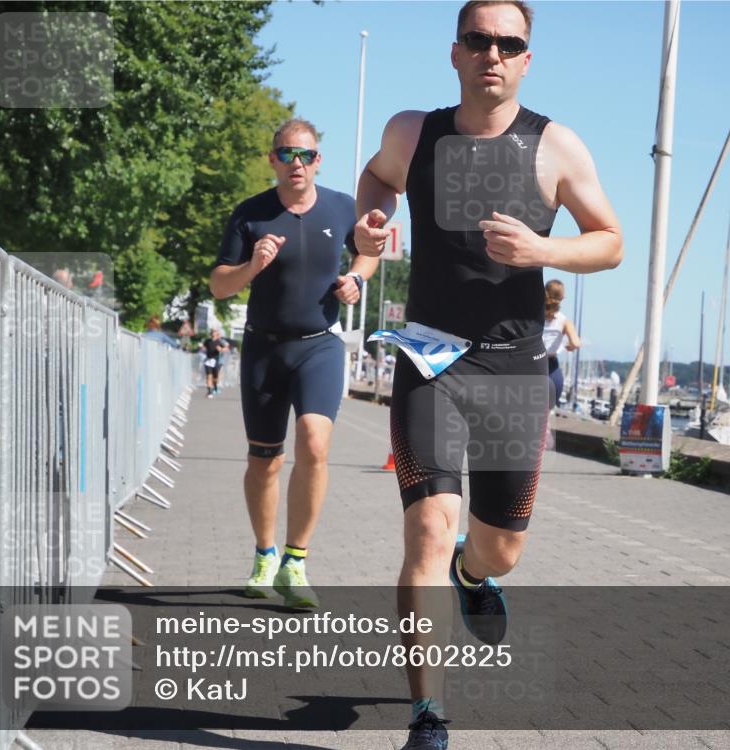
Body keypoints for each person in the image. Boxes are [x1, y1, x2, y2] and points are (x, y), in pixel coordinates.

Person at [354, 3, 622, 746]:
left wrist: (544, 253)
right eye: (479, 40)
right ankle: (427, 717)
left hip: (513, 369)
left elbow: (610, 241)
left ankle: (477, 579)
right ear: (456, 52)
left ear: (527, 59)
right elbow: (375, 182)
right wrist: (369, 226)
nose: (493, 53)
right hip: (428, 356)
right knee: (430, 528)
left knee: (497, 546)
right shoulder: (413, 132)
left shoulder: (555, 146)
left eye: (510, 44)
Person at [210, 117, 378, 608]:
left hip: (319, 344)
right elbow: (219, 285)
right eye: (286, 154)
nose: (296, 164)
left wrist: (358, 279)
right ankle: (264, 554)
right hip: (264, 348)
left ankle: (296, 561)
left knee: (314, 442)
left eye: (305, 155)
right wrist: (251, 266)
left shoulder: (342, 207)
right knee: (264, 461)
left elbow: (367, 251)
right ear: (272, 159)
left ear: (318, 159)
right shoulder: (251, 215)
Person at [542, 278, 580, 409]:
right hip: (551, 366)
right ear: (562, 298)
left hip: (531, 363)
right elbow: (576, 342)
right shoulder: (564, 321)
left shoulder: (533, 317)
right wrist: (569, 347)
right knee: (548, 408)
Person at [202, 329, 230, 397]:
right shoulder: (207, 341)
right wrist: (203, 348)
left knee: (215, 378)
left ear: (216, 334)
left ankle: (215, 386)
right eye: (212, 333)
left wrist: (221, 349)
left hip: (216, 361)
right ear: (210, 334)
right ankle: (209, 392)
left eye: (214, 333)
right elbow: (203, 346)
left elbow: (227, 349)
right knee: (209, 376)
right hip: (208, 361)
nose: (213, 334)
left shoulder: (219, 342)